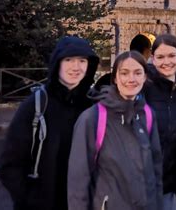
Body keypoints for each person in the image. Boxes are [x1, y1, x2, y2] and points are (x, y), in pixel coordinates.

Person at [0, 36, 99, 210]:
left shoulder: (93, 105)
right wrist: (30, 200)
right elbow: (10, 164)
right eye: (69, 60)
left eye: (82, 60)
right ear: (58, 63)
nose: (76, 67)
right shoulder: (36, 105)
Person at [67, 51, 163, 209]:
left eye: (138, 73)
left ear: (145, 77)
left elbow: (156, 169)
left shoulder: (147, 114)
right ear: (115, 78)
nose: (131, 79)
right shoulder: (92, 118)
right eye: (124, 73)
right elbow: (78, 179)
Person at [145, 34, 176, 209]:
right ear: (152, 59)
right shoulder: (144, 85)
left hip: (172, 181)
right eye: (160, 57)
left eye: (172, 56)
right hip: (145, 179)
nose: (166, 62)